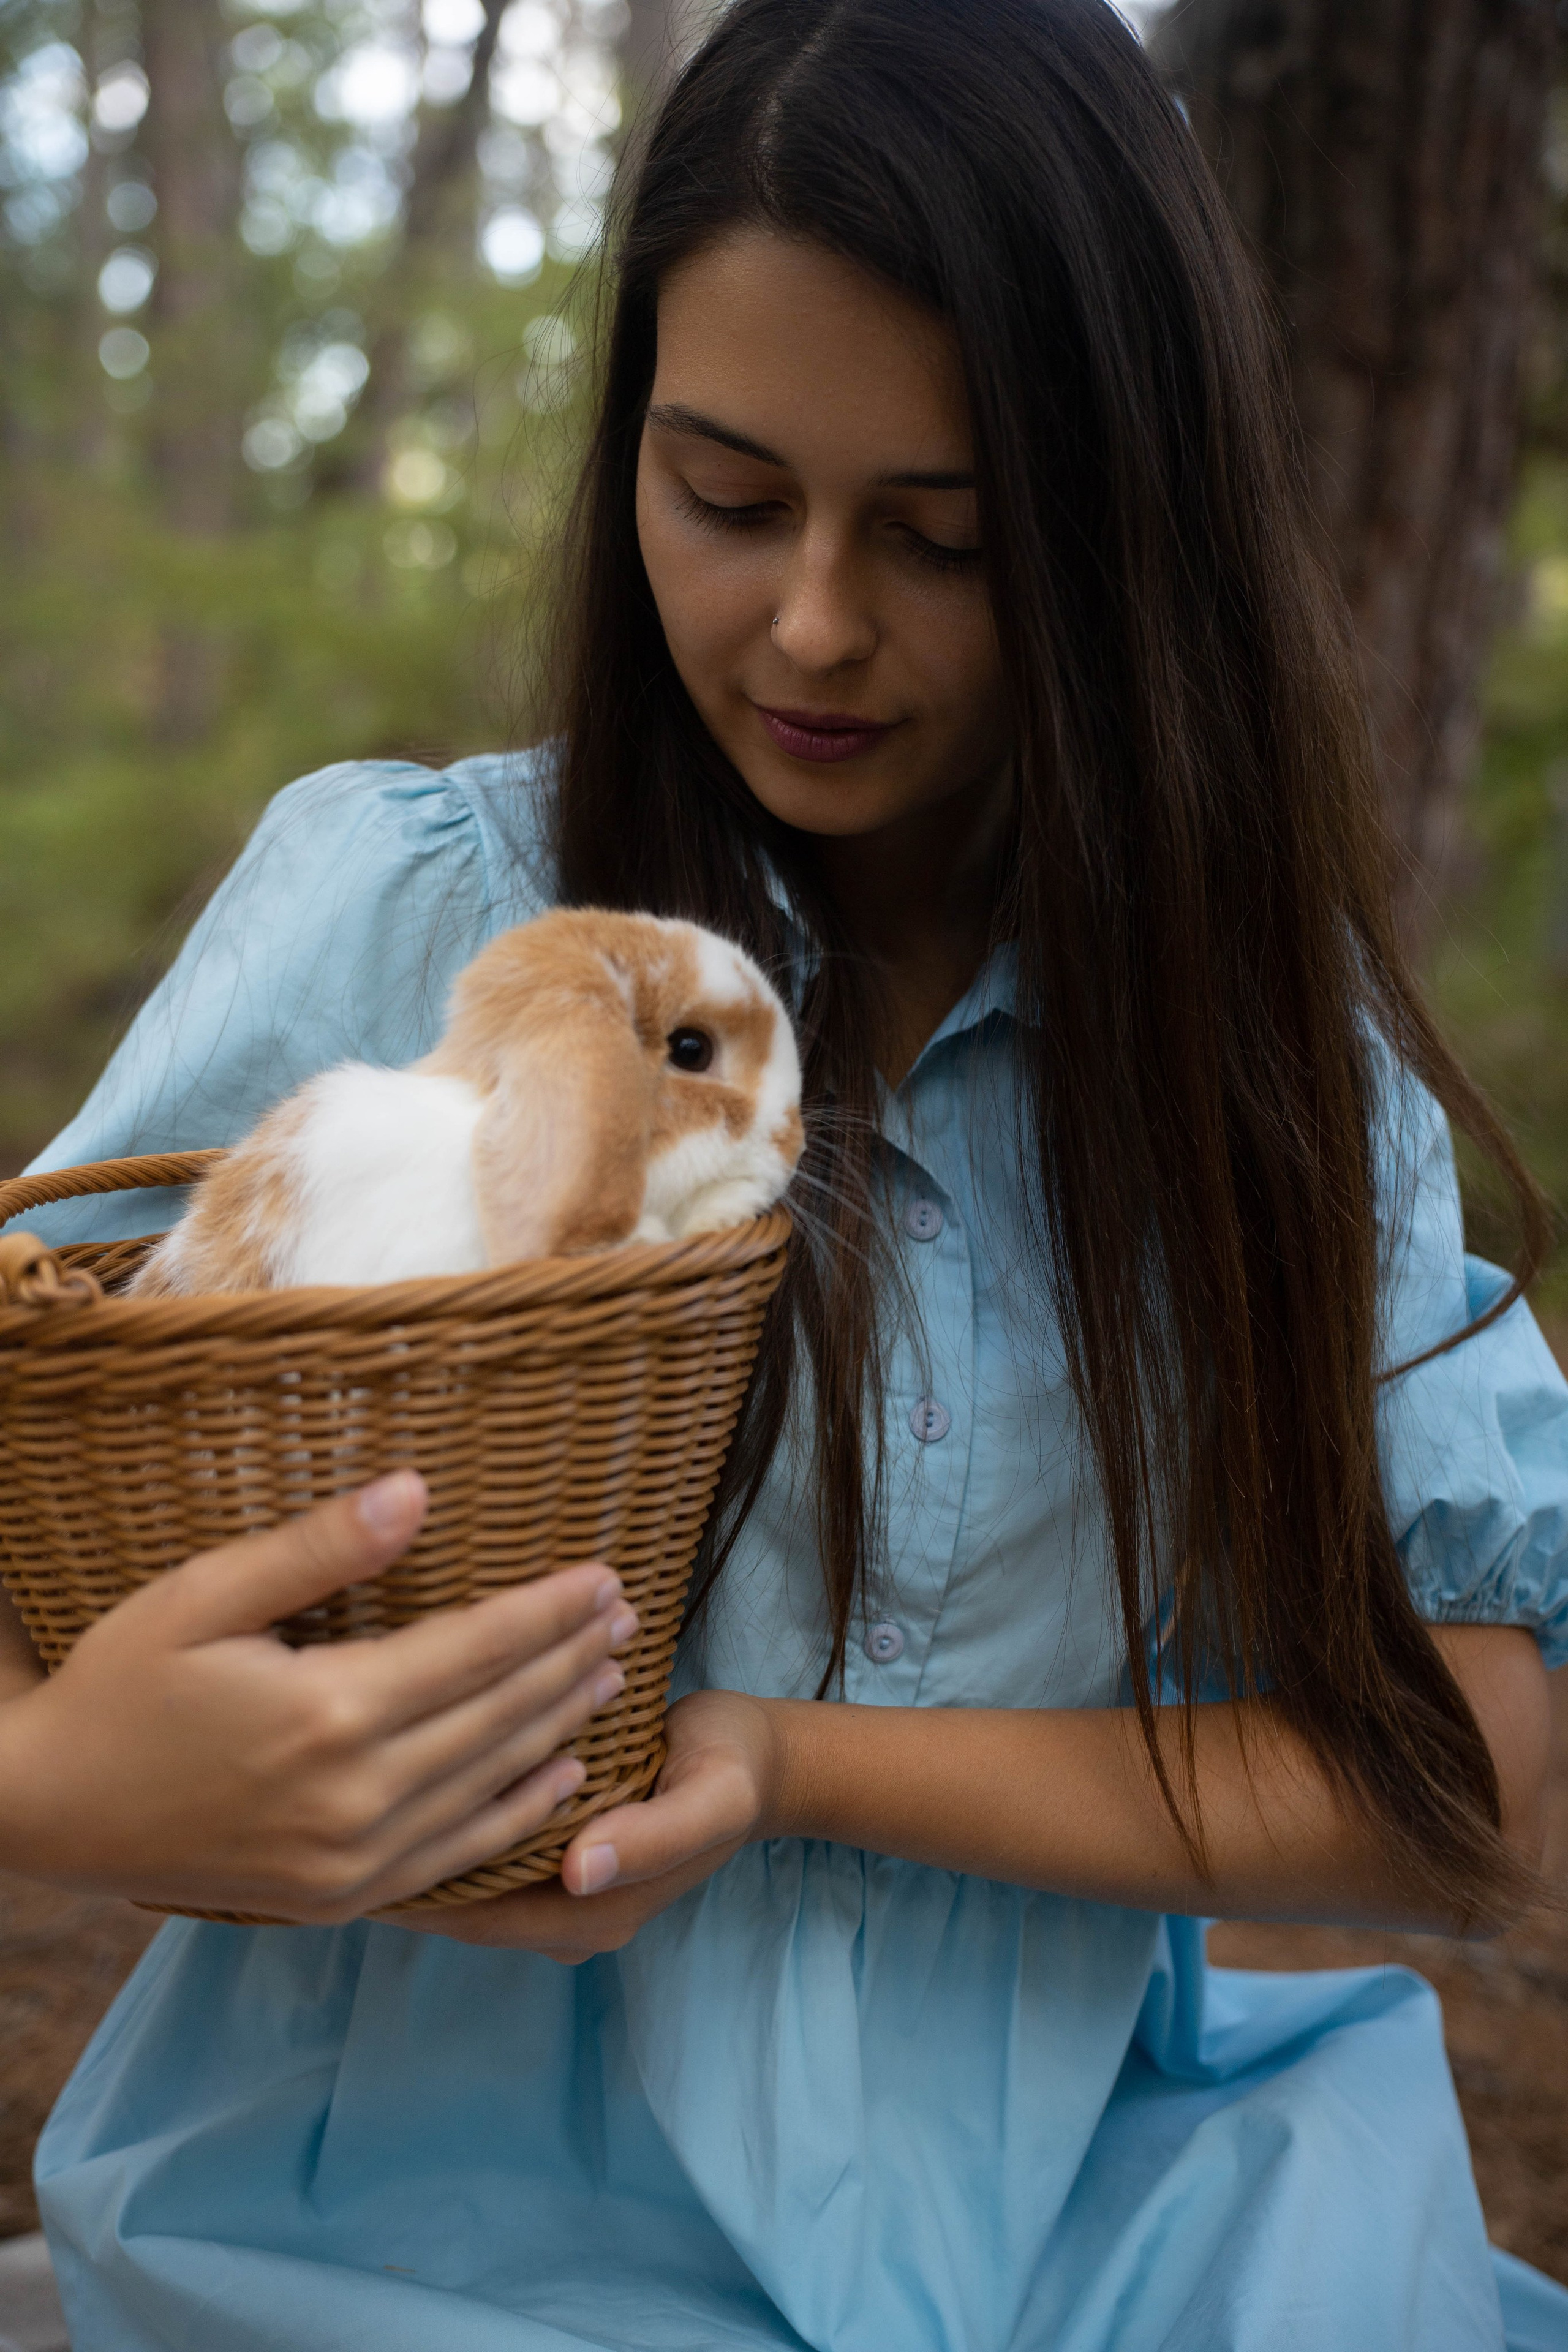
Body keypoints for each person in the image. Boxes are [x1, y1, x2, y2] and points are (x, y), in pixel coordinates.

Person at [6, 0, 1567, 2342]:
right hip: (395, 2250)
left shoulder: (1256, 1064)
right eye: (725, 499)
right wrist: (60, 1785)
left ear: (1130, 535)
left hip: (1118, 2236)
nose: (813, 623)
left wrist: (777, 1765)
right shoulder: (416, 911)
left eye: (946, 540)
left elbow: (1470, 1773)